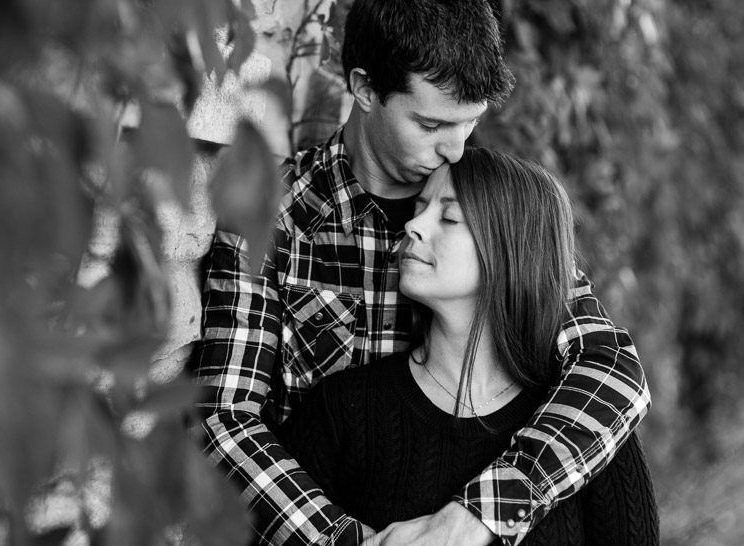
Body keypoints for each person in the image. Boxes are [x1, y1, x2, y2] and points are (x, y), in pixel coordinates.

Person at [189, 0, 651, 544]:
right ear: (364, 89)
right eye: (431, 123)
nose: (455, 148)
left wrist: (484, 511)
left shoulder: (488, 207)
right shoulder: (270, 213)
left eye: (470, 123)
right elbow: (225, 421)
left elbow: (609, 364)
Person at [277, 148, 660, 545]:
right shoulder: (343, 410)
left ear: (509, 248)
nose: (413, 225)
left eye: (448, 216)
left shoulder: (585, 426)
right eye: (419, 207)